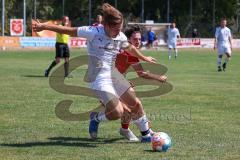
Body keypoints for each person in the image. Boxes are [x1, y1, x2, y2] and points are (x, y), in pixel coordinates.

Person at [33, 3, 157, 142]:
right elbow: (68, 30)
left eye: (120, 29)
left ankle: (146, 135)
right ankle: (96, 118)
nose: (118, 32)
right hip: (98, 78)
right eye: (116, 29)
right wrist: (44, 26)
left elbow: (129, 48)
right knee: (117, 112)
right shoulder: (93, 32)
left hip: (113, 74)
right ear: (107, 26)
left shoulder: (120, 36)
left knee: (135, 103)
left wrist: (144, 57)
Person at [115, 25, 167, 141]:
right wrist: (158, 78)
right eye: (135, 39)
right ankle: (96, 118)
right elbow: (142, 74)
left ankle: (144, 132)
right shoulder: (125, 52)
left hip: (117, 82)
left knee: (135, 105)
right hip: (105, 84)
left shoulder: (130, 53)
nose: (138, 42)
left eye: (139, 39)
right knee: (126, 110)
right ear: (128, 40)